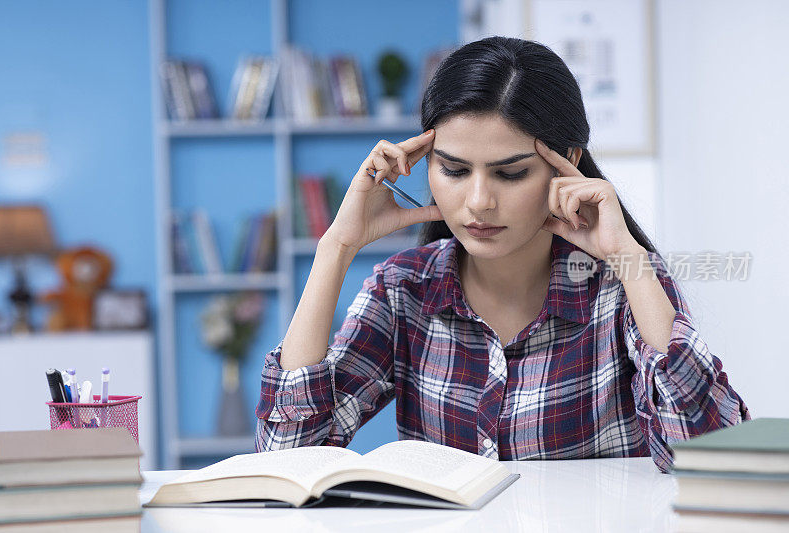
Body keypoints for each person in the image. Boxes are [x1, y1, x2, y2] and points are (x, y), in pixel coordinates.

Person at [254, 36, 749, 473]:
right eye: (452, 170)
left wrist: (627, 257)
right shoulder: (402, 291)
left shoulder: (622, 285)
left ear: (568, 163)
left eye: (510, 174)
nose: (478, 202)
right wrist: (335, 248)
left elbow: (710, 460)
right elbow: (289, 455)